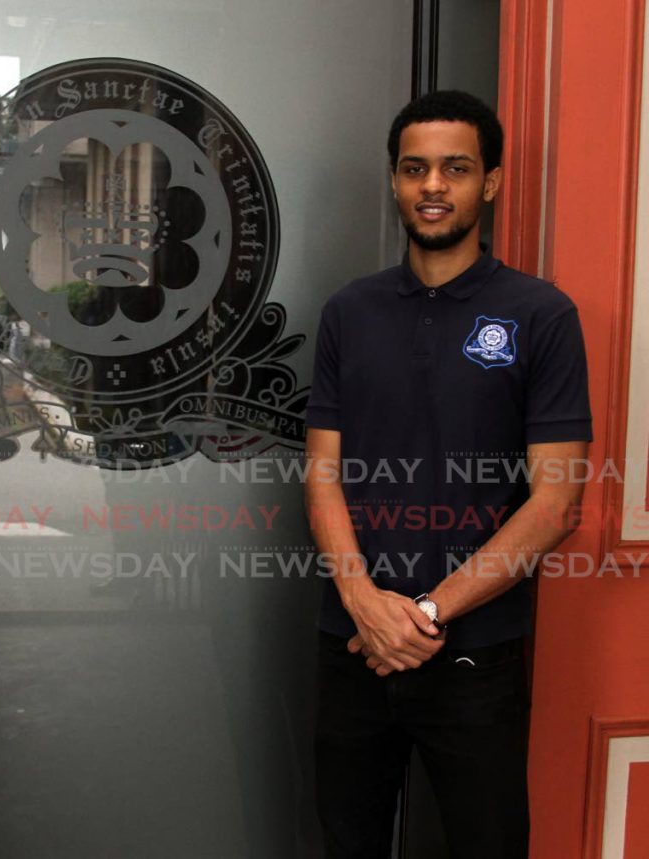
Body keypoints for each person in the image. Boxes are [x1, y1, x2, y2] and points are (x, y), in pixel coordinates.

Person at [304, 90, 591, 858]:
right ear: (395, 182)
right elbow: (322, 474)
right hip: (354, 641)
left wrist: (425, 613)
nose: (434, 185)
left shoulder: (541, 315)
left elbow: (556, 504)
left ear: (490, 182)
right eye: (415, 168)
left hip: (474, 653)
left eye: (455, 168)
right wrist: (365, 602)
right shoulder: (348, 312)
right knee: (347, 842)